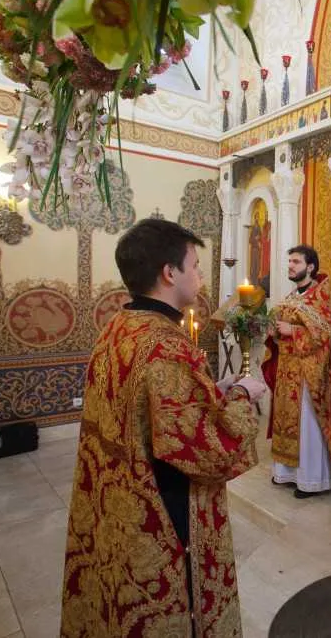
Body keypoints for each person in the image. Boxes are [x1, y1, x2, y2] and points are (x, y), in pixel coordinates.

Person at [60, 219, 267, 637]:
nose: (199, 277)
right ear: (169, 273)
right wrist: (244, 394)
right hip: (164, 508)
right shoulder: (166, 343)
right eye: (195, 265)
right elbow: (210, 449)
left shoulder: (118, 328)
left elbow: (154, 409)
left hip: (122, 502)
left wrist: (212, 389)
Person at [263, 245, 331, 499]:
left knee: (307, 423)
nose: (290, 265)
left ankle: (312, 480)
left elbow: (325, 333)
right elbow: (282, 328)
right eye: (289, 261)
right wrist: (275, 331)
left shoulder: (319, 297)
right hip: (288, 370)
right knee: (286, 419)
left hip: (311, 373)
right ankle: (286, 472)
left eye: (296, 262)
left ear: (310, 267)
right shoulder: (291, 297)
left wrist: (293, 331)